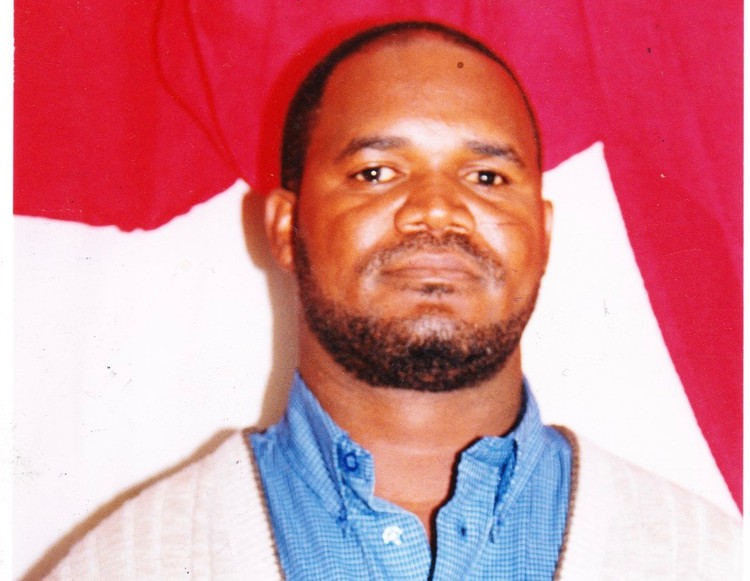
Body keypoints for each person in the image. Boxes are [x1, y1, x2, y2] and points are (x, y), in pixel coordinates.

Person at [43, 21, 740, 581]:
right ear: (286, 229)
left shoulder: (705, 559)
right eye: (376, 172)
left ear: (545, 233)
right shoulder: (128, 563)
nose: (436, 211)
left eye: (488, 176)